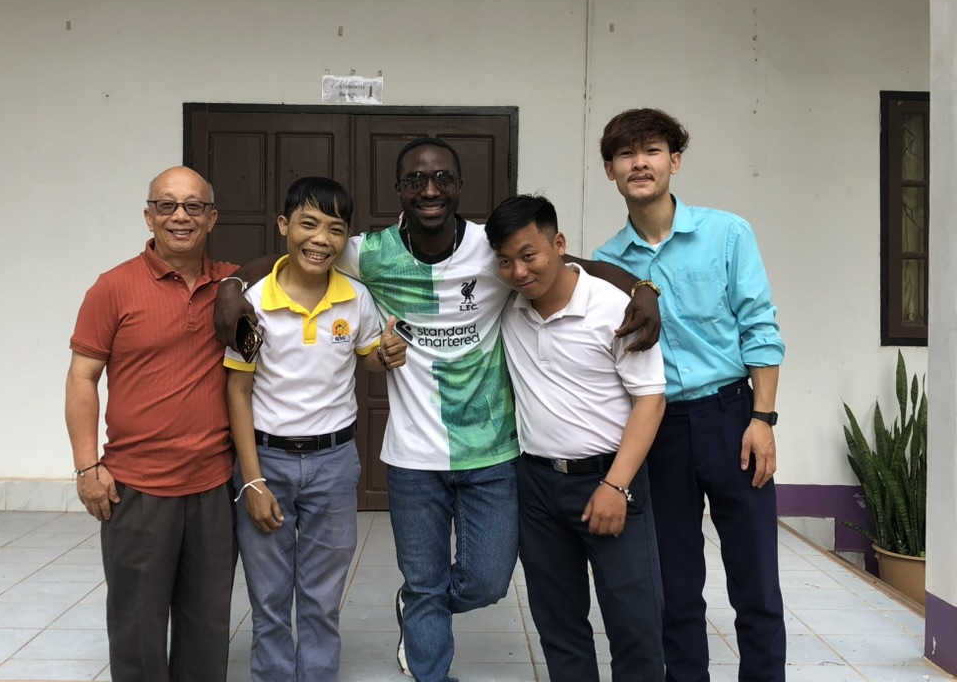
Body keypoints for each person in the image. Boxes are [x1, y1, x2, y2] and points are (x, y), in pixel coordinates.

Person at [214, 138, 662, 682]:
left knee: (488, 582)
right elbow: (296, 254)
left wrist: (643, 287)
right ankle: (428, 651)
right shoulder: (370, 252)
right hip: (412, 456)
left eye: (443, 178)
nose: (430, 190)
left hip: (491, 453)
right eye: (416, 180)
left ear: (459, 187)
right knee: (424, 582)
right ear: (398, 190)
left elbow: (570, 264)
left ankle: (419, 606)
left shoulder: (492, 249)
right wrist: (234, 285)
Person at [593, 108, 786, 682]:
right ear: (610, 170)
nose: (640, 163)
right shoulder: (607, 263)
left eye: (652, 151)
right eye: (626, 154)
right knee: (674, 584)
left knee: (755, 577)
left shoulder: (728, 233)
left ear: (674, 162)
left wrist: (763, 417)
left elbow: (760, 326)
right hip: (659, 430)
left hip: (732, 418)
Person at [224, 177, 406, 681]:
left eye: (335, 229)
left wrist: (385, 355)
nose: (320, 239)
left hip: (333, 463)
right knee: (269, 597)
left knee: (323, 597)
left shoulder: (355, 298)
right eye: (308, 224)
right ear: (284, 225)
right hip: (267, 461)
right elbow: (237, 392)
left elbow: (366, 356)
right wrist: (252, 481)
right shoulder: (254, 303)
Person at [64, 166, 238, 682]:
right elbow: (82, 378)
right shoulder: (113, 288)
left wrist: (234, 285)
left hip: (213, 486)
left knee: (207, 628)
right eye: (167, 205)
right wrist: (86, 468)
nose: (180, 216)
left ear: (212, 218)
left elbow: (292, 265)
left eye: (193, 206)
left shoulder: (232, 281)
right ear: (149, 216)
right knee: (137, 628)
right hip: (136, 489)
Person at [485, 194, 667, 682]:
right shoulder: (508, 307)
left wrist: (616, 486)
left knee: (635, 624)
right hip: (537, 485)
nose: (519, 272)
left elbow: (651, 401)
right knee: (558, 624)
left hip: (610, 480)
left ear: (559, 244)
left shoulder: (615, 309)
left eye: (530, 255)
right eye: (505, 261)